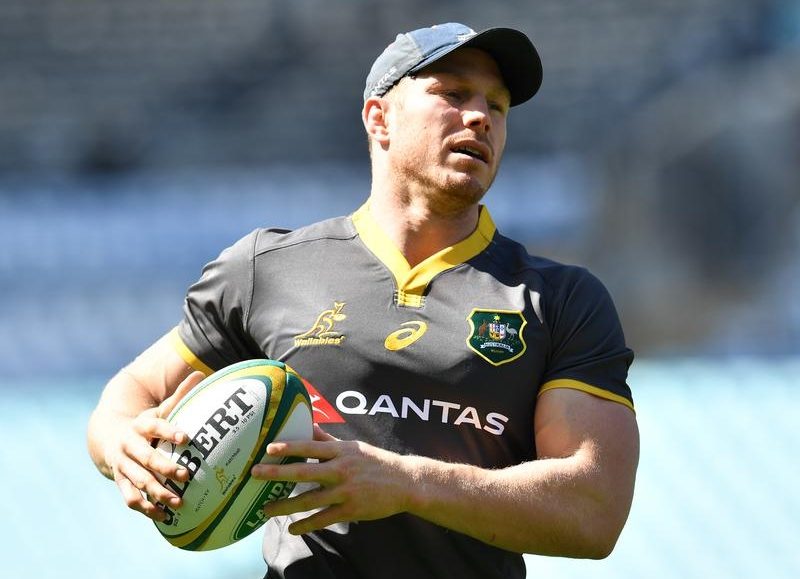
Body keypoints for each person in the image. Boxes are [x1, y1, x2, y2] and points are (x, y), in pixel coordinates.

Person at [87, 22, 639, 579]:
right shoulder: (265, 268)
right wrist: (123, 445)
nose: (480, 117)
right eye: (453, 94)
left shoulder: (560, 299)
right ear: (380, 118)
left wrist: (405, 483)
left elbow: (594, 511)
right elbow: (127, 398)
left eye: (496, 105)